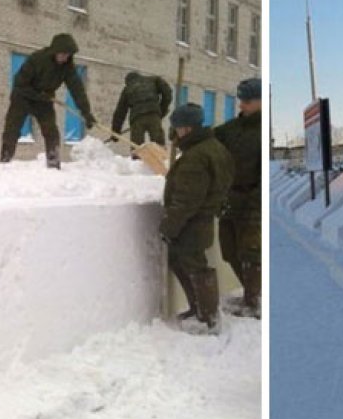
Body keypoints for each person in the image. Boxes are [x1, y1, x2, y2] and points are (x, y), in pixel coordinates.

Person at [160, 103, 234, 334]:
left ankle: (208, 319)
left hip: (192, 223)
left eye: (178, 128)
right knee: (187, 263)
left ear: (187, 128)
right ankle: (200, 310)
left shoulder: (196, 157)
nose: (175, 132)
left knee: (195, 266)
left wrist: (169, 227)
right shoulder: (214, 148)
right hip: (202, 219)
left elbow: (186, 199)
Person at [1, 33, 96, 169]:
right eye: (62, 54)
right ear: (55, 51)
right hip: (23, 96)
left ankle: (53, 164)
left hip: (44, 99)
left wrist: (86, 112)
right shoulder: (37, 59)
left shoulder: (67, 67)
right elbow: (19, 83)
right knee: (12, 128)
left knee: (51, 131)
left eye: (68, 55)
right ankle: (5, 160)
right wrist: (39, 95)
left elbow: (77, 90)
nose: (65, 58)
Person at [215, 78, 262, 318]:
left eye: (247, 100)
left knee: (251, 252)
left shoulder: (262, 131)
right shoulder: (232, 128)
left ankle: (255, 300)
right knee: (230, 251)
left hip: (253, 202)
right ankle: (252, 293)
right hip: (230, 199)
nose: (242, 105)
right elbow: (210, 139)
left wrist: (255, 203)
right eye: (240, 99)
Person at [110, 72, 173, 148]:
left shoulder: (127, 89)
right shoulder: (153, 80)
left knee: (137, 148)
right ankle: (161, 159)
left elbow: (120, 112)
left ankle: (137, 158)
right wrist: (161, 110)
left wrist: (115, 132)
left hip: (137, 119)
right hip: (153, 115)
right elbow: (167, 93)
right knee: (159, 146)